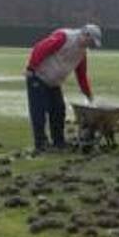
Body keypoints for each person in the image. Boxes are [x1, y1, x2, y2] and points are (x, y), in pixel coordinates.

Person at [25, 24, 101, 153]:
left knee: (59, 111)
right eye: (91, 42)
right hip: (38, 77)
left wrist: (88, 93)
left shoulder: (82, 53)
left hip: (54, 83)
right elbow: (40, 48)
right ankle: (41, 143)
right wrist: (31, 68)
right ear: (86, 35)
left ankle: (58, 142)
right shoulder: (64, 37)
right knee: (39, 112)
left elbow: (81, 74)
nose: (90, 46)